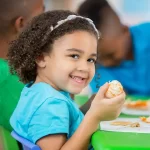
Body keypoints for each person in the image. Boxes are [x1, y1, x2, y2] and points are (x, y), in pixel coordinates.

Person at [8, 10, 125, 150]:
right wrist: (95, 117)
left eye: (90, 59)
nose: (84, 67)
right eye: (74, 56)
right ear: (41, 58)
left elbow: (68, 124)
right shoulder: (50, 104)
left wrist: (90, 107)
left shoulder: (38, 92)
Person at [78, 0, 150, 96]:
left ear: (125, 31)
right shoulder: (96, 68)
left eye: (110, 55)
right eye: (98, 59)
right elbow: (114, 100)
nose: (106, 63)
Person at [0, 0, 44, 131]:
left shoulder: (15, 66)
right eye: (42, 15)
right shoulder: (6, 79)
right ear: (21, 24)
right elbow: (48, 131)